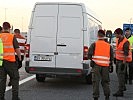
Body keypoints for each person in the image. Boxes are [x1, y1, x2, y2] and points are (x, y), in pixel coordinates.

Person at [88, 30, 114, 100]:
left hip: (96, 66)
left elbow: (89, 54)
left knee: (96, 82)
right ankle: (107, 96)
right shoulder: (109, 46)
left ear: (98, 36)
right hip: (105, 66)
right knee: (105, 82)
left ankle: (96, 97)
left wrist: (92, 60)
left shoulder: (94, 44)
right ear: (104, 35)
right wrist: (111, 65)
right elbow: (112, 57)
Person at [0, 22, 21, 100]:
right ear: (9, 28)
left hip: (1, 62)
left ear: (2, 28)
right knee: (15, 78)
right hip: (10, 62)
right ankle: (15, 98)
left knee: (2, 80)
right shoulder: (12, 36)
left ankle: (1, 97)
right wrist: (19, 58)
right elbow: (17, 49)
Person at [113, 28, 132, 97]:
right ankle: (123, 87)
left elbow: (126, 54)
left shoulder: (125, 42)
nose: (115, 35)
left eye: (116, 34)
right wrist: (115, 58)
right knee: (119, 75)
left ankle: (120, 91)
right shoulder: (118, 40)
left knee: (121, 76)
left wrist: (124, 63)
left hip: (122, 61)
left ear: (120, 34)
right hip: (118, 60)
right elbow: (117, 50)